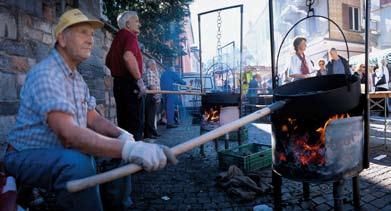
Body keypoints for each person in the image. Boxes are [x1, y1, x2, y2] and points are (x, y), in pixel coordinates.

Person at [3, 9, 174, 211]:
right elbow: (69, 135)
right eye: (83, 32)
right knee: (77, 163)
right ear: (62, 39)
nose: (91, 39)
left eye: (92, 34)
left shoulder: (77, 78)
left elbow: (92, 118)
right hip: (26, 155)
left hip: (60, 150)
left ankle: (117, 206)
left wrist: (122, 136)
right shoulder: (46, 74)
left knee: (119, 146)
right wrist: (130, 150)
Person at [106, 11, 146, 141]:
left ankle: (123, 154)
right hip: (130, 84)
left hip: (119, 84)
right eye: (137, 21)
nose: (139, 24)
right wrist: (139, 80)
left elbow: (108, 62)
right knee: (135, 122)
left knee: (123, 122)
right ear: (128, 24)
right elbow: (128, 57)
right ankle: (137, 156)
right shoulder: (130, 36)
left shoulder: (117, 38)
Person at [160, 62, 186, 128]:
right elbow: (179, 80)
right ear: (172, 69)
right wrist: (184, 83)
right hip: (170, 92)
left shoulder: (163, 74)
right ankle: (170, 123)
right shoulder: (171, 73)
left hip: (163, 92)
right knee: (170, 107)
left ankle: (169, 122)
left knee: (167, 107)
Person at [143, 59, 161, 139]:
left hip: (153, 95)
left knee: (152, 115)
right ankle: (149, 134)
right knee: (149, 115)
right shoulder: (149, 72)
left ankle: (153, 131)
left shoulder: (154, 73)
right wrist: (156, 95)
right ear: (150, 65)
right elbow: (151, 86)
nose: (155, 66)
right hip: (151, 95)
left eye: (155, 64)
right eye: (153, 64)